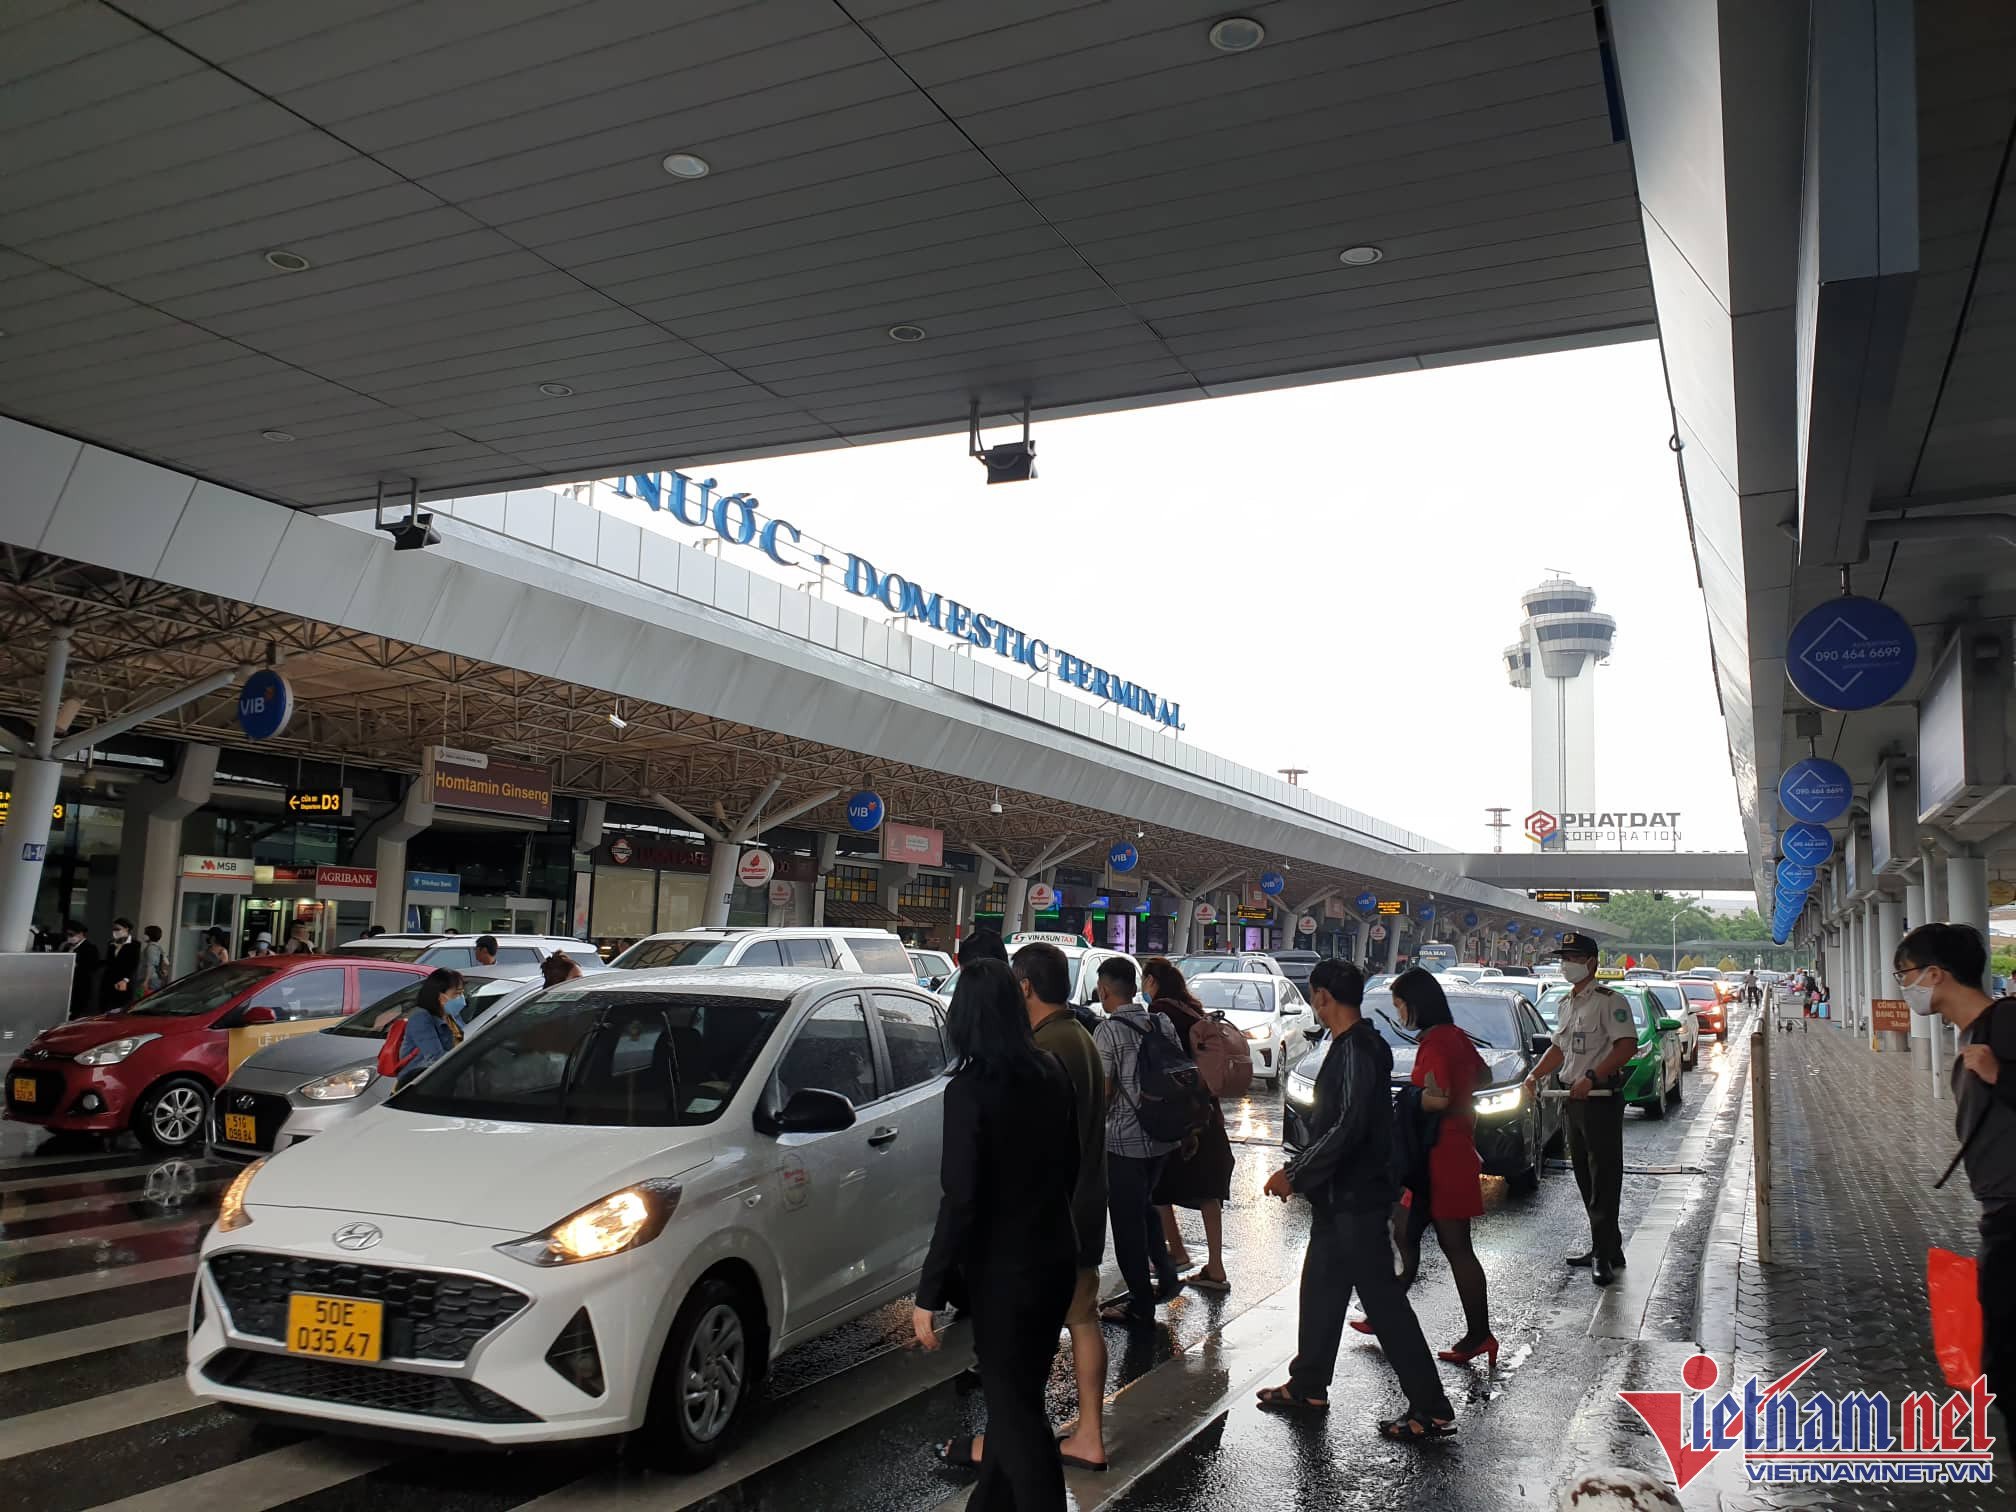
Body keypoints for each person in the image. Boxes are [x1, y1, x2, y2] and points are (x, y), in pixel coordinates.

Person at [1257, 960, 1456, 1440]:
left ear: (1323, 996)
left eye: (1313, 995)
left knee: (1384, 1303)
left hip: (1355, 1196)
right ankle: (1308, 1384)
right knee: (1321, 1289)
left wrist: (1295, 1173)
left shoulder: (1356, 1049)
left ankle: (1431, 1407)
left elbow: (1347, 1126)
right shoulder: (1356, 1044)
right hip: (1340, 1196)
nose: (1313, 1003)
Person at [915, 958, 1079, 1512]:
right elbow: (1071, 1164)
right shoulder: (1052, 1070)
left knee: (1018, 1415)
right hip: (1054, 1255)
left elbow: (960, 1198)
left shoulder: (968, 1091)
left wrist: (929, 1293)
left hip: (1005, 1273)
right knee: (1019, 1401)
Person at [1894, 922, 2016, 1412]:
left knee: (2004, 1363)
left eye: (1905, 974)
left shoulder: (2005, 1022)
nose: (1904, 987)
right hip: (2000, 1211)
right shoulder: (1976, 1034)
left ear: (1936, 974)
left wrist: (2000, 1074)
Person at [1377, 967, 1495, 1363]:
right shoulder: (1455, 1036)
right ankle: (1386, 1311)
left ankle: (1479, 1334)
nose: (1399, 1013)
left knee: (1454, 1245)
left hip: (1442, 1155)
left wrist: (1410, 1097)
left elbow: (1437, 1097)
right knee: (1405, 1229)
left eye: (1399, 1005)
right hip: (1451, 1149)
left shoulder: (1435, 1043)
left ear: (1416, 1004)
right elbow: (1483, 1075)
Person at [1522, 932, 1638, 1286]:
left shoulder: (1609, 1001)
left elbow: (1626, 1046)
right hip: (1572, 1098)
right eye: (1564, 958)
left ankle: (1603, 1254)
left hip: (1600, 1097)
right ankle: (1607, 1245)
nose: (1566, 964)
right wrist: (1535, 1075)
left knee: (1604, 1177)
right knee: (1585, 1177)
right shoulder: (1566, 1003)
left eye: (1573, 958)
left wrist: (1592, 1076)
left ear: (1591, 962)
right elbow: (1559, 1048)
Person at [1092, 954, 1184, 1324]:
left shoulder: (1108, 1031)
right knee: (1146, 1207)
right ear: (1134, 988)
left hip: (1124, 1143)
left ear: (1104, 991)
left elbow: (1105, 1091)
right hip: (1162, 1136)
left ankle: (1141, 1303)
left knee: (1127, 1225)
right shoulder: (1161, 1022)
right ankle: (1166, 1275)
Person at [1142, 958, 1234, 1292]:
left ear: (1152, 981)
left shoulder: (1159, 1013)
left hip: (1179, 1114)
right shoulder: (1193, 1010)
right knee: (1209, 1190)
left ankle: (1177, 1252)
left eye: (1144, 980)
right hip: (1207, 1112)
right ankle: (1215, 1266)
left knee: (1157, 1185)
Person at [395, 969, 466, 1085]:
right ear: (440, 996)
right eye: (456, 994)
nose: (461, 998)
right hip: (419, 1083)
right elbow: (436, 1058)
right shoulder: (421, 1019)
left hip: (447, 1078)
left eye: (462, 993)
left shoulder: (452, 1015)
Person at [62, 919, 100, 1019]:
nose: (69, 937)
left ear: (81, 934)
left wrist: (76, 965)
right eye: (67, 935)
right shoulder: (67, 947)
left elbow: (93, 967)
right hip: (66, 985)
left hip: (80, 986)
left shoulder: (90, 948)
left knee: (76, 1014)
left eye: (72, 934)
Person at [102, 917, 141, 1012]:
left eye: (118, 929)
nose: (115, 932)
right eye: (114, 929)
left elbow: (133, 963)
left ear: (126, 929)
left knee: (121, 1007)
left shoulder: (135, 944)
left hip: (124, 980)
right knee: (106, 1008)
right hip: (109, 979)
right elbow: (109, 962)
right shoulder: (111, 943)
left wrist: (125, 980)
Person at [138, 925, 170, 998]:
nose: (143, 935)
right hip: (153, 979)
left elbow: (151, 965)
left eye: (145, 933)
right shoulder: (158, 947)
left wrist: (146, 981)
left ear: (149, 935)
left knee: (145, 999)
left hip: (150, 980)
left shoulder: (151, 948)